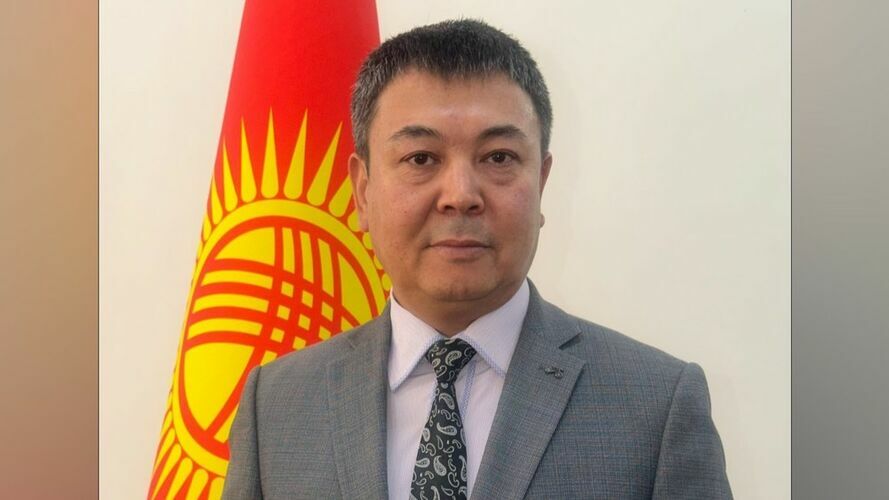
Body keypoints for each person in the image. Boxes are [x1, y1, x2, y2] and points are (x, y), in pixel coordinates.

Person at [222, 19, 732, 500]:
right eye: (421, 158)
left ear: (542, 183)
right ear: (362, 191)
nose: (461, 195)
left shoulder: (657, 405)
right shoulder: (277, 404)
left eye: (498, 158)